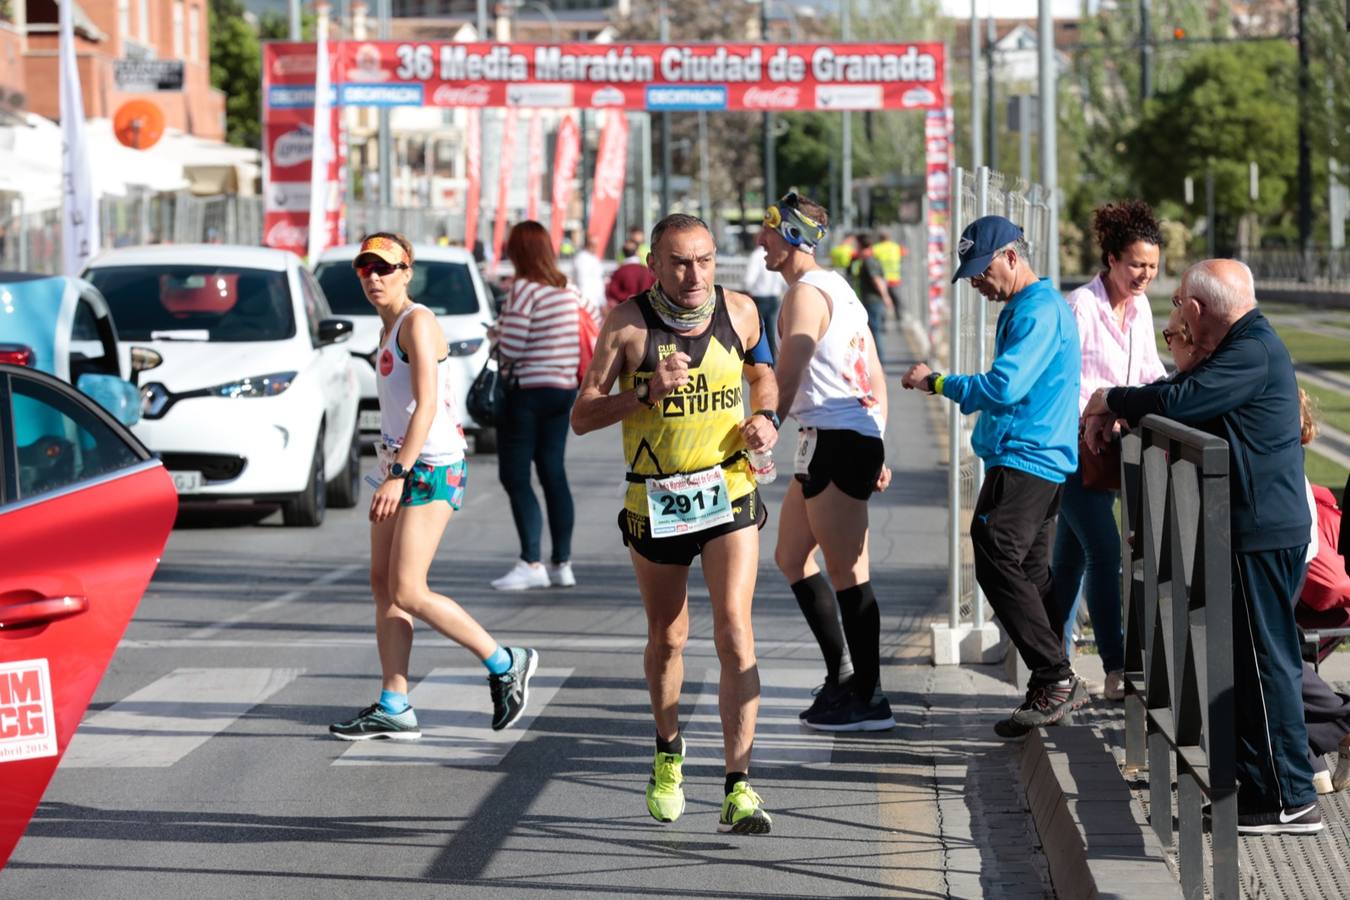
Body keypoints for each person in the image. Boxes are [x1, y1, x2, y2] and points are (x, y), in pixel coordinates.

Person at [1084, 259, 1321, 835]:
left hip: (1260, 534)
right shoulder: (1244, 346)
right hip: (1250, 529)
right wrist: (1117, 403)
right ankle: (1259, 791)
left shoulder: (1252, 348)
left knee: (1266, 666)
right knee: (1245, 663)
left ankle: (1290, 798)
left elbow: (1182, 401)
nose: (1175, 314)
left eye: (1178, 304)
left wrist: (1108, 400)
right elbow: (1175, 389)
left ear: (1197, 308)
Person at [571, 213, 780, 835]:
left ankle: (739, 786)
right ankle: (668, 753)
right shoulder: (628, 325)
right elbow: (581, 415)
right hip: (655, 500)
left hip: (728, 489)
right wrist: (643, 394)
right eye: (681, 263)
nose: (695, 275)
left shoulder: (741, 311)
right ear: (655, 263)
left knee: (736, 633)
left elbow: (763, 374)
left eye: (706, 260)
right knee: (668, 638)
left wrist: (766, 418)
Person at [329, 233, 538, 742]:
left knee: (408, 588)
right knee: (385, 588)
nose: (373, 277)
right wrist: (390, 469)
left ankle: (505, 661)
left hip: (429, 467)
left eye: (384, 268)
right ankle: (394, 703)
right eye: (365, 269)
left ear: (406, 271)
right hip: (397, 465)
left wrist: (398, 475)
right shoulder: (386, 329)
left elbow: (425, 405)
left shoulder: (417, 322)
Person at [901, 215, 1085, 739]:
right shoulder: (1030, 306)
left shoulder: (1038, 311)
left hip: (1028, 455)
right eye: (971, 274)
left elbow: (1003, 386)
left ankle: (1055, 676)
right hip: (1033, 454)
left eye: (983, 270)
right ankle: (1052, 678)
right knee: (1029, 569)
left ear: (1011, 256)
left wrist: (938, 381)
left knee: (993, 553)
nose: (978, 282)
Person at [760, 192, 895, 732]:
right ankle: (842, 675)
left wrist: (768, 423)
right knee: (791, 556)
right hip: (836, 437)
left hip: (839, 438)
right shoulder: (836, 286)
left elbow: (788, 370)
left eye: (769, 230)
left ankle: (870, 696)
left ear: (793, 236)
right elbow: (875, 374)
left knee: (848, 573)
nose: (760, 240)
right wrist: (876, 438)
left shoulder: (806, 296)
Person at [1056, 201, 1167, 702]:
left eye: (1152, 267)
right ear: (1112, 259)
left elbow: (1147, 370)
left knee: (1070, 562)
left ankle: (1048, 667)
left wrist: (1173, 397)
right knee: (1105, 553)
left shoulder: (1140, 308)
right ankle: (1117, 668)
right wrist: (1097, 412)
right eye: (1136, 265)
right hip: (1075, 448)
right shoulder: (1081, 306)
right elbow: (1065, 381)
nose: (1144, 275)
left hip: (1115, 448)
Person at [489, 221, 599, 591]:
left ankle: (530, 560)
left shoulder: (523, 290)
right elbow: (597, 323)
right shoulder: (569, 290)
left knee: (515, 475)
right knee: (553, 471)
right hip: (564, 389)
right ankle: (562, 563)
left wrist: (497, 336)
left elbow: (514, 348)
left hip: (527, 392)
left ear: (518, 252)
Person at [848, 233, 894, 364]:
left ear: (861, 245)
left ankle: (879, 362)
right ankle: (877, 362)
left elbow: (877, 279)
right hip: (873, 300)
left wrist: (885, 297)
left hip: (872, 301)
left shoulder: (868, 261)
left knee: (874, 332)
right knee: (874, 331)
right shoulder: (872, 259)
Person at [741, 242, 787, 360]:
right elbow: (782, 280)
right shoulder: (775, 254)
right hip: (773, 298)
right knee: (772, 333)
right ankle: (771, 363)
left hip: (759, 298)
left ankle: (759, 362)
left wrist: (747, 290)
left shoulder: (756, 255)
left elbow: (749, 279)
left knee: (757, 334)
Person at [606, 238, 656, 313]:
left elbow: (612, 291)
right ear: (637, 252)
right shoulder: (646, 271)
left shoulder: (619, 271)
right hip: (646, 311)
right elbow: (655, 288)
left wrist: (628, 297)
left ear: (623, 253)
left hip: (625, 311)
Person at [871, 230, 905, 322]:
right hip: (894, 278)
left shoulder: (876, 248)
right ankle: (899, 317)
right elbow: (905, 252)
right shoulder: (896, 247)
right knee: (897, 300)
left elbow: (868, 255)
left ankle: (883, 319)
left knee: (883, 300)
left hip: (882, 279)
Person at [572, 234, 606, 313]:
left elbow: (599, 280)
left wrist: (602, 300)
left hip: (596, 301)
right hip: (586, 301)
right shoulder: (581, 258)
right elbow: (582, 281)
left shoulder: (595, 258)